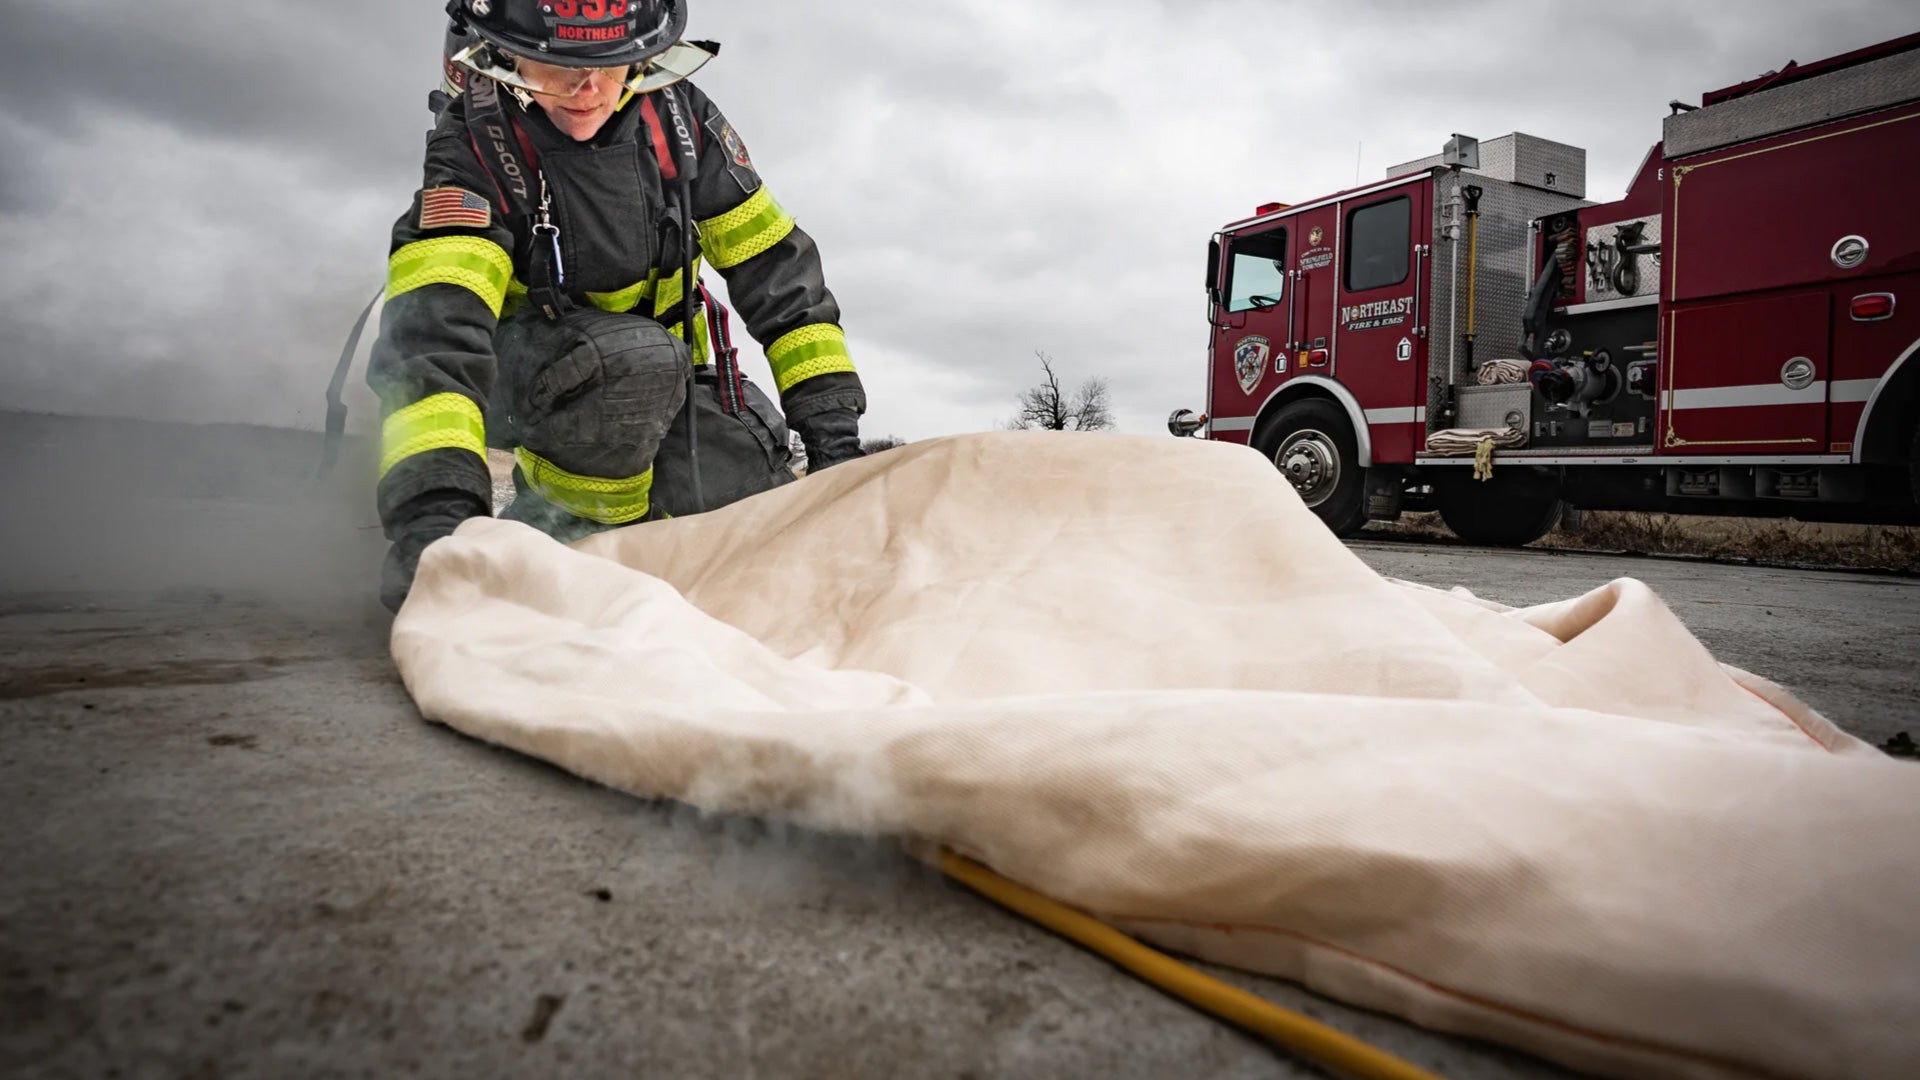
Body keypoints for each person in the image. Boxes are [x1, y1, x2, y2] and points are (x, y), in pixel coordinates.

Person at [370, 0, 866, 611]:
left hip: (665, 382)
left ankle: (595, 533)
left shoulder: (680, 122)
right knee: (638, 361)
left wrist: (834, 441)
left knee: (747, 500)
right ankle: (574, 535)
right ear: (501, 56)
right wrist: (435, 522)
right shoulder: (473, 146)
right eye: (558, 68)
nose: (588, 90)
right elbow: (435, 341)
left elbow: (779, 272)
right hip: (530, 383)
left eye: (615, 65)